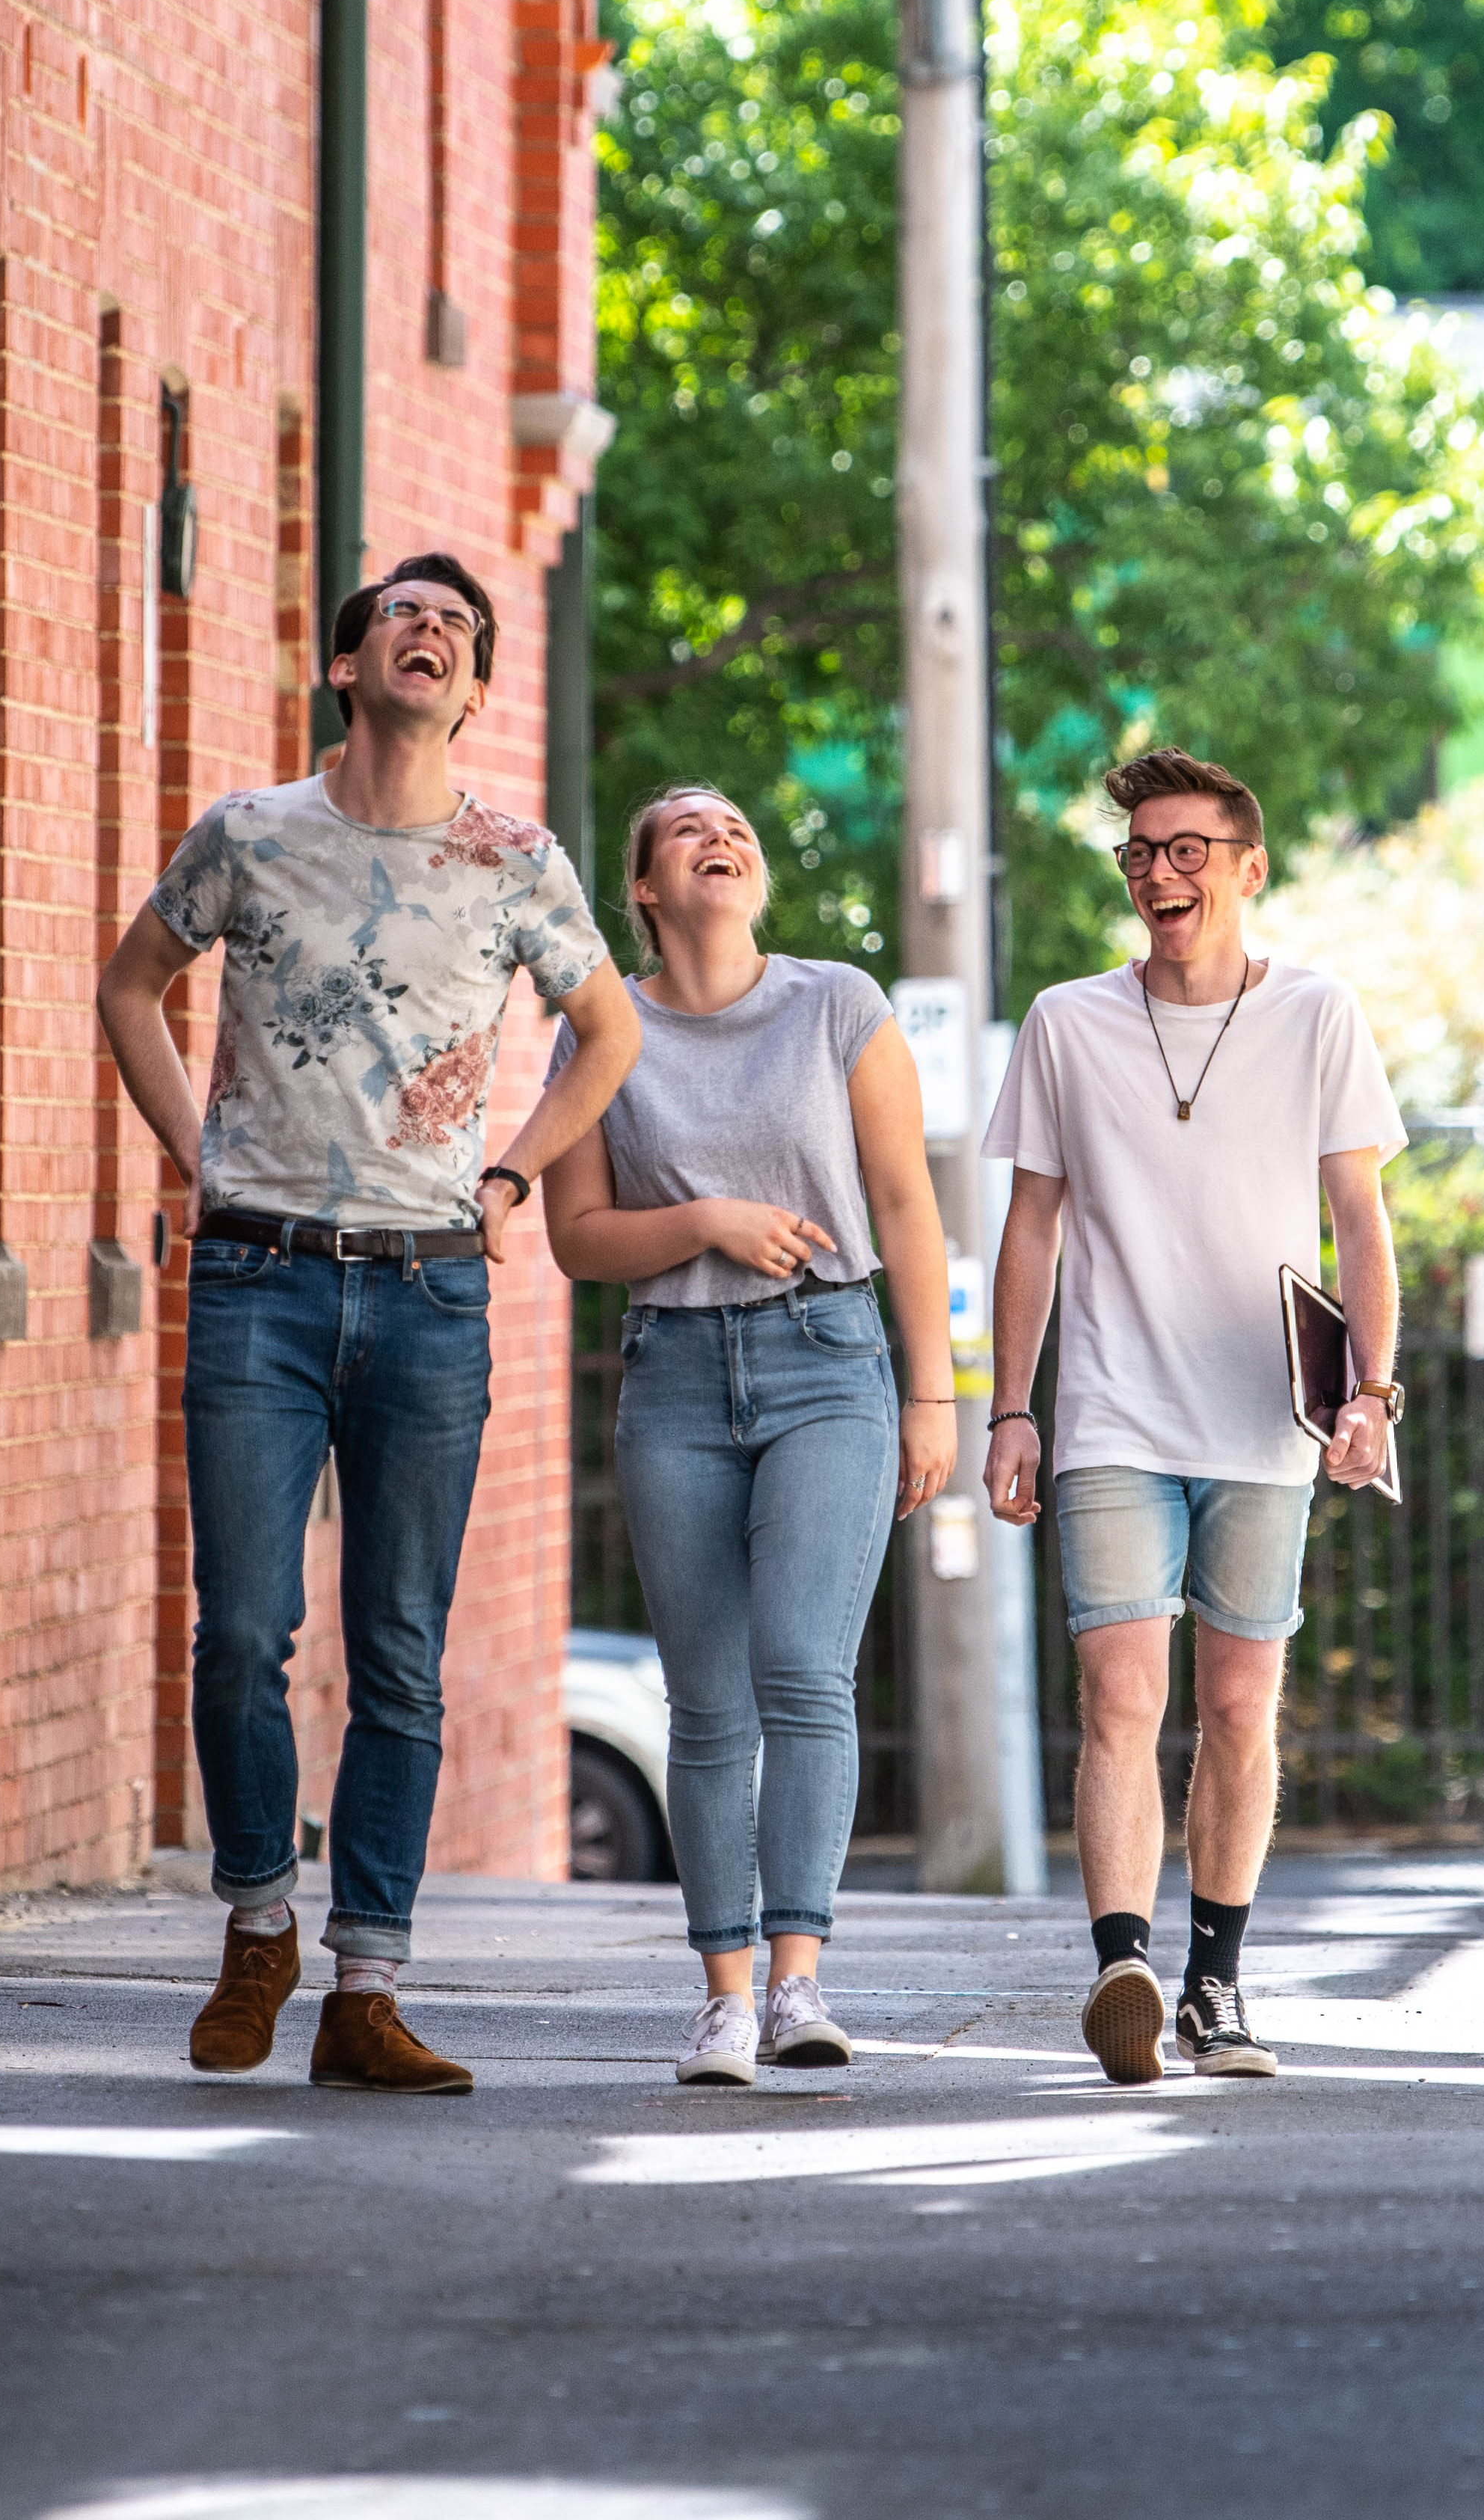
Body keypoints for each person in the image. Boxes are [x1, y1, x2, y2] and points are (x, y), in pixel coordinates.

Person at [94, 551, 638, 2097]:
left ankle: (365, 1989)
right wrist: (190, 1162)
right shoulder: (251, 836)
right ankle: (259, 1917)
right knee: (243, 1633)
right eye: (402, 615)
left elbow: (605, 1030)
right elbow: (129, 986)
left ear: (473, 693)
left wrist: (516, 1173)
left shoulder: (514, 859)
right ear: (347, 668)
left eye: (457, 630)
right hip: (258, 1277)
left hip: (426, 1289)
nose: (430, 632)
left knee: (397, 1655)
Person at [981, 748, 1407, 2087]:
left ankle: (1216, 1982)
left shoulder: (1319, 1013)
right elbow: (1031, 1230)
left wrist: (1372, 1394)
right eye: (1141, 854)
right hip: (1111, 1409)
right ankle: (1124, 1966)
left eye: (1187, 851)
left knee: (1238, 1701)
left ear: (1246, 867)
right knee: (1122, 1690)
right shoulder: (1067, 1021)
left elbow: (1360, 1222)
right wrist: (1011, 1409)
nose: (1161, 872)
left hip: (1263, 1419)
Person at [539, 785, 958, 2086]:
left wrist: (934, 1394)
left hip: (829, 1361)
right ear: (647, 889)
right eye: (681, 828)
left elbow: (906, 1204)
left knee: (802, 1668)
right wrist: (709, 1218)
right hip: (671, 1374)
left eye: (736, 828)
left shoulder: (838, 1002)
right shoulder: (603, 1028)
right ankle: (722, 2000)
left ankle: (797, 1985)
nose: (719, 836)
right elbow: (576, 1236)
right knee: (707, 1700)